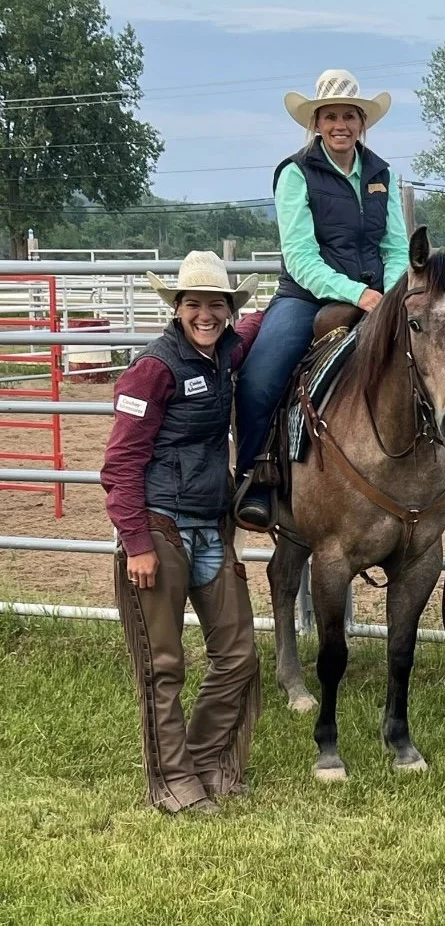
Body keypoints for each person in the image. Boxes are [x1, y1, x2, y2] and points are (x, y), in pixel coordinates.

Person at [101, 251, 264, 814]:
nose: (206, 315)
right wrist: (137, 545)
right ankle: (173, 782)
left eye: (216, 304)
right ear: (177, 307)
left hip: (209, 527)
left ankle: (201, 761)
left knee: (239, 653)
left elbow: (252, 327)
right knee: (162, 664)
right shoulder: (154, 368)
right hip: (160, 527)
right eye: (194, 303)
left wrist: (297, 305)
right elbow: (120, 465)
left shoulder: (223, 353)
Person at [233, 68, 409, 530]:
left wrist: (388, 298)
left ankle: (434, 478)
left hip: (377, 294)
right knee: (260, 378)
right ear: (315, 122)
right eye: (330, 116)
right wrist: (358, 295)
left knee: (426, 362)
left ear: (361, 122)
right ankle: (257, 475)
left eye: (349, 116)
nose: (340, 125)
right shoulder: (295, 174)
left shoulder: (381, 174)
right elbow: (301, 256)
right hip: (308, 297)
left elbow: (395, 248)